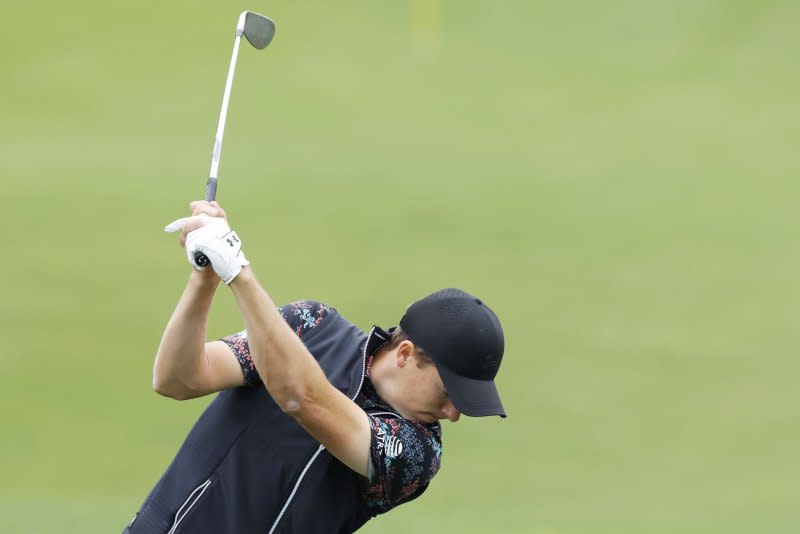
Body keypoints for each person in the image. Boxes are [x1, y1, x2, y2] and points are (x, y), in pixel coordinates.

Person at [124, 200, 507, 533]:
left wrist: (237, 269)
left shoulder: (417, 453)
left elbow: (302, 398)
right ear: (405, 354)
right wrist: (205, 275)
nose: (453, 414)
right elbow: (178, 379)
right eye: (448, 393)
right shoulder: (311, 325)